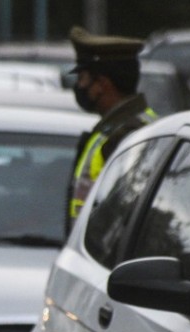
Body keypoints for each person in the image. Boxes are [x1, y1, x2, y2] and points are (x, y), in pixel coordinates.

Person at [68, 26, 158, 225]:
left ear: (102, 84)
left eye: (82, 78)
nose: (79, 87)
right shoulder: (117, 127)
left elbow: (122, 219)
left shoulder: (128, 136)